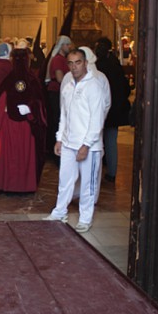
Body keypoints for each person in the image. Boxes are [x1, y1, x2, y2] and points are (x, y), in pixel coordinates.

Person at [44, 48, 110, 233]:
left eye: (78, 62)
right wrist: (59, 139)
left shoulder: (94, 86)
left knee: (88, 185)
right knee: (65, 180)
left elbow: (97, 120)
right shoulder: (67, 86)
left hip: (89, 146)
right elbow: (64, 116)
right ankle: (59, 211)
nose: (74, 67)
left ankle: (85, 218)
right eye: (71, 63)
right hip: (68, 143)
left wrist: (86, 145)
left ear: (85, 63)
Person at [0, 48, 46, 194]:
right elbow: (2, 102)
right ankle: (19, 186)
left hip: (15, 126)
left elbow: (38, 103)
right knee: (19, 157)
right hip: (16, 126)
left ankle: (14, 185)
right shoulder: (30, 80)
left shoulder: (12, 80)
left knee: (11, 157)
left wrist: (30, 109)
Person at [95, 37, 131, 182]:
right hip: (115, 109)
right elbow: (125, 87)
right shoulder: (115, 64)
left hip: (100, 108)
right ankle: (112, 172)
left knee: (98, 140)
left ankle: (98, 169)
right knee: (111, 140)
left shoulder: (97, 67)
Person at [44, 35, 72, 155]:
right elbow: (60, 78)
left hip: (60, 92)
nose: (70, 47)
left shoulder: (63, 58)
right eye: (68, 44)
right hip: (56, 93)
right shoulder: (58, 60)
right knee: (56, 120)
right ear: (63, 46)